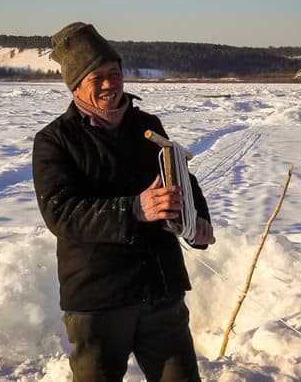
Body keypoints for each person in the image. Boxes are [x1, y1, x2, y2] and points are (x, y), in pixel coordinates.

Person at [32, 22, 215, 382]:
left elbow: (181, 177)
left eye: (114, 73)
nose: (109, 84)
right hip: (97, 299)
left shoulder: (146, 124)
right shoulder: (55, 141)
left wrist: (198, 222)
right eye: (96, 77)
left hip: (160, 291)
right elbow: (61, 213)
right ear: (75, 86)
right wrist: (134, 208)